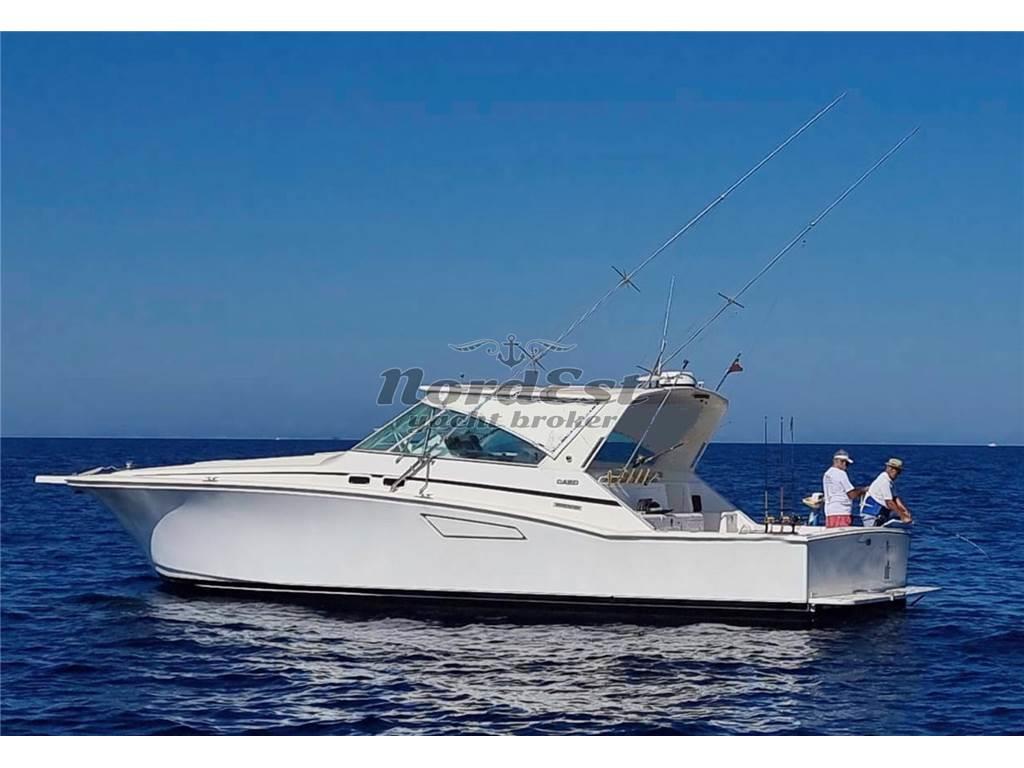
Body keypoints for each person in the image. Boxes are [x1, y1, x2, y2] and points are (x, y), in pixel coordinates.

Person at [822, 449, 867, 528]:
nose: (845, 465)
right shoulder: (841, 474)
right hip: (841, 512)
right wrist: (863, 490)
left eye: (846, 463)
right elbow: (852, 494)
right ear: (836, 461)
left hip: (829, 512)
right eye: (843, 462)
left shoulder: (827, 474)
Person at [861, 458, 913, 526]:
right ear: (888, 468)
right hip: (871, 515)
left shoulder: (890, 482)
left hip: (881, 513)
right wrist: (902, 516)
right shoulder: (884, 481)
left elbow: (895, 499)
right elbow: (889, 502)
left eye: (898, 471)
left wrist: (905, 511)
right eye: (893, 469)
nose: (896, 473)